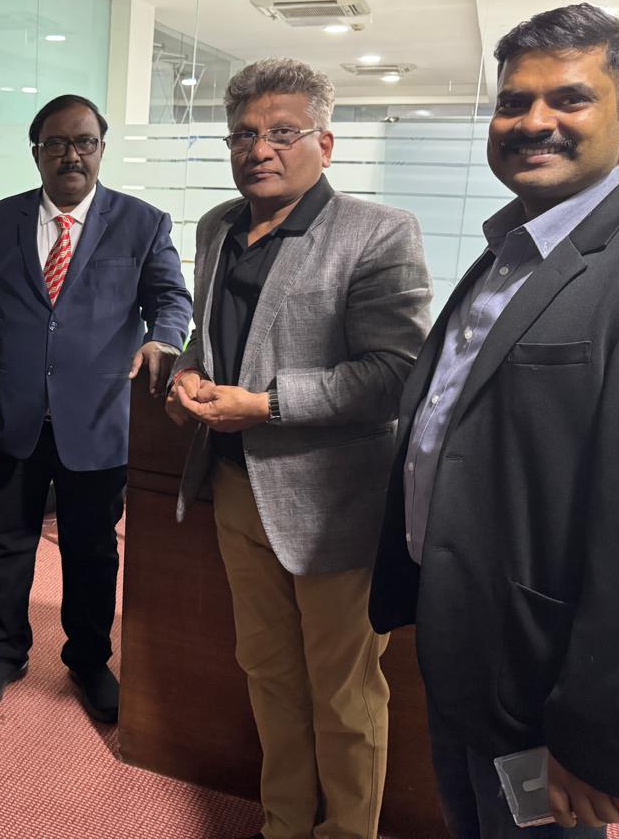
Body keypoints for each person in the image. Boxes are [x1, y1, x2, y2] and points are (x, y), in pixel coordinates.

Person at [370, 3, 619, 838]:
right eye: (514, 102)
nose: (534, 121)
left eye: (569, 98)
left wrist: (602, 736)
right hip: (468, 643)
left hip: (548, 681)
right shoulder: (512, 247)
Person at [165, 58, 431, 839]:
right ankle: (284, 824)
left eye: (282, 133)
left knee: (345, 693)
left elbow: (397, 373)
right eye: (243, 135)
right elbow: (213, 336)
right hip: (234, 488)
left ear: (325, 143)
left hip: (333, 504)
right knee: (269, 675)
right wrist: (187, 373)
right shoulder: (217, 226)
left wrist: (268, 405)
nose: (260, 150)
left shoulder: (377, 232)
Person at [0, 94, 191, 722]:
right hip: (14, 418)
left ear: (101, 149)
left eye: (84, 142)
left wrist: (164, 340)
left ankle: (88, 658)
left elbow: (171, 298)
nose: (71, 155)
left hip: (98, 421)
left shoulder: (142, 222)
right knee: (6, 544)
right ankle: (4, 653)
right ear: (36, 152)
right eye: (57, 143)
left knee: (91, 551)